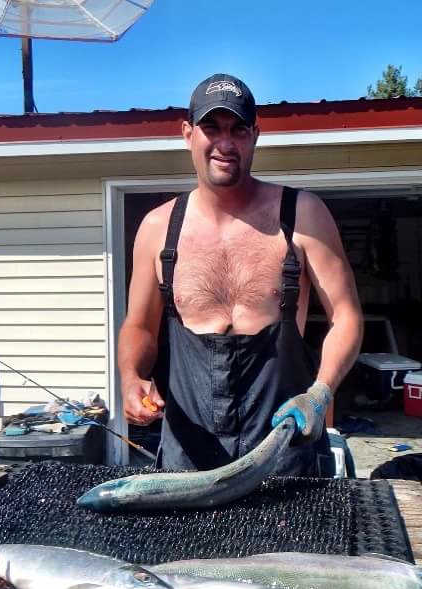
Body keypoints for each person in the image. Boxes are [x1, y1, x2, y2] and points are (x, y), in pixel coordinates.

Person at [119, 73, 363, 477]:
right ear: (187, 134)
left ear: (256, 135)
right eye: (211, 128)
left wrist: (320, 394)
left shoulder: (301, 214)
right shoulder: (157, 228)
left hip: (287, 457)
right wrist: (130, 378)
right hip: (189, 464)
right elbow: (139, 326)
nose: (225, 143)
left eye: (238, 129)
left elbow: (346, 317)